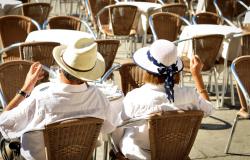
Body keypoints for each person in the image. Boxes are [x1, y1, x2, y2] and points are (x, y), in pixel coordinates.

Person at [0, 38, 116, 160]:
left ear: (61, 67)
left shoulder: (41, 97)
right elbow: (109, 127)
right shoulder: (99, 97)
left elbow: (4, 122)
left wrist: (25, 89)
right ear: (88, 74)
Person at [119, 39, 214, 159]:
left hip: (142, 155)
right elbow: (210, 109)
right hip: (176, 154)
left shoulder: (134, 97)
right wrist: (197, 76)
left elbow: (120, 125)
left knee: (120, 133)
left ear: (147, 69)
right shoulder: (190, 95)